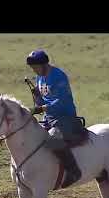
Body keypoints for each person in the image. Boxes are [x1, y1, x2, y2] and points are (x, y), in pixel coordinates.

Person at [26, 50, 83, 187]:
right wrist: (37, 96)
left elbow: (61, 101)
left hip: (65, 118)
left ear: (44, 64)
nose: (34, 71)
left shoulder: (59, 76)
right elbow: (42, 102)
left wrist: (41, 109)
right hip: (48, 118)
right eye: (32, 68)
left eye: (36, 67)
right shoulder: (40, 78)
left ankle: (74, 171)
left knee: (52, 138)